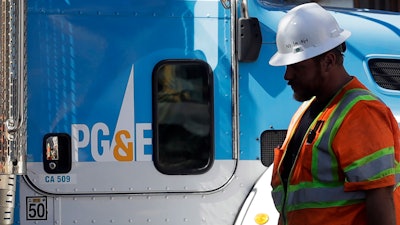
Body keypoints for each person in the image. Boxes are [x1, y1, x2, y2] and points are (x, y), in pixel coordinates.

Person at [268, 3, 400, 225]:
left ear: (328, 61)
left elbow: (381, 197)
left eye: (297, 67)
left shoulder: (361, 113)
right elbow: (292, 203)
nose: (287, 75)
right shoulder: (306, 113)